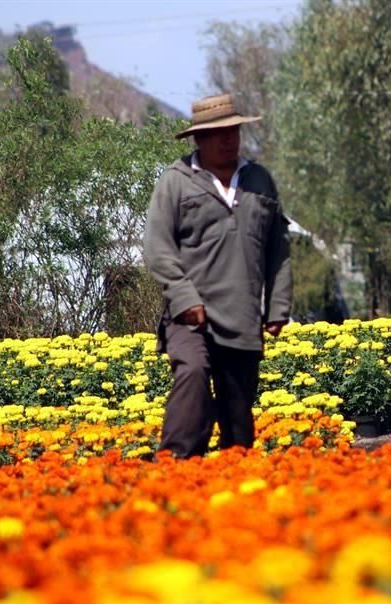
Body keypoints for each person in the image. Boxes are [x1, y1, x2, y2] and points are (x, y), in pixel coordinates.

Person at [143, 94, 292, 458]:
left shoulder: (260, 181)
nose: (229, 139)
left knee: (238, 417)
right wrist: (184, 297)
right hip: (190, 317)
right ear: (199, 139)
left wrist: (278, 306)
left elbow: (279, 248)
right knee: (192, 375)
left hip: (241, 314)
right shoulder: (175, 182)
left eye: (234, 131)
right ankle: (175, 465)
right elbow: (157, 247)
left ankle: (232, 482)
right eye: (218, 133)